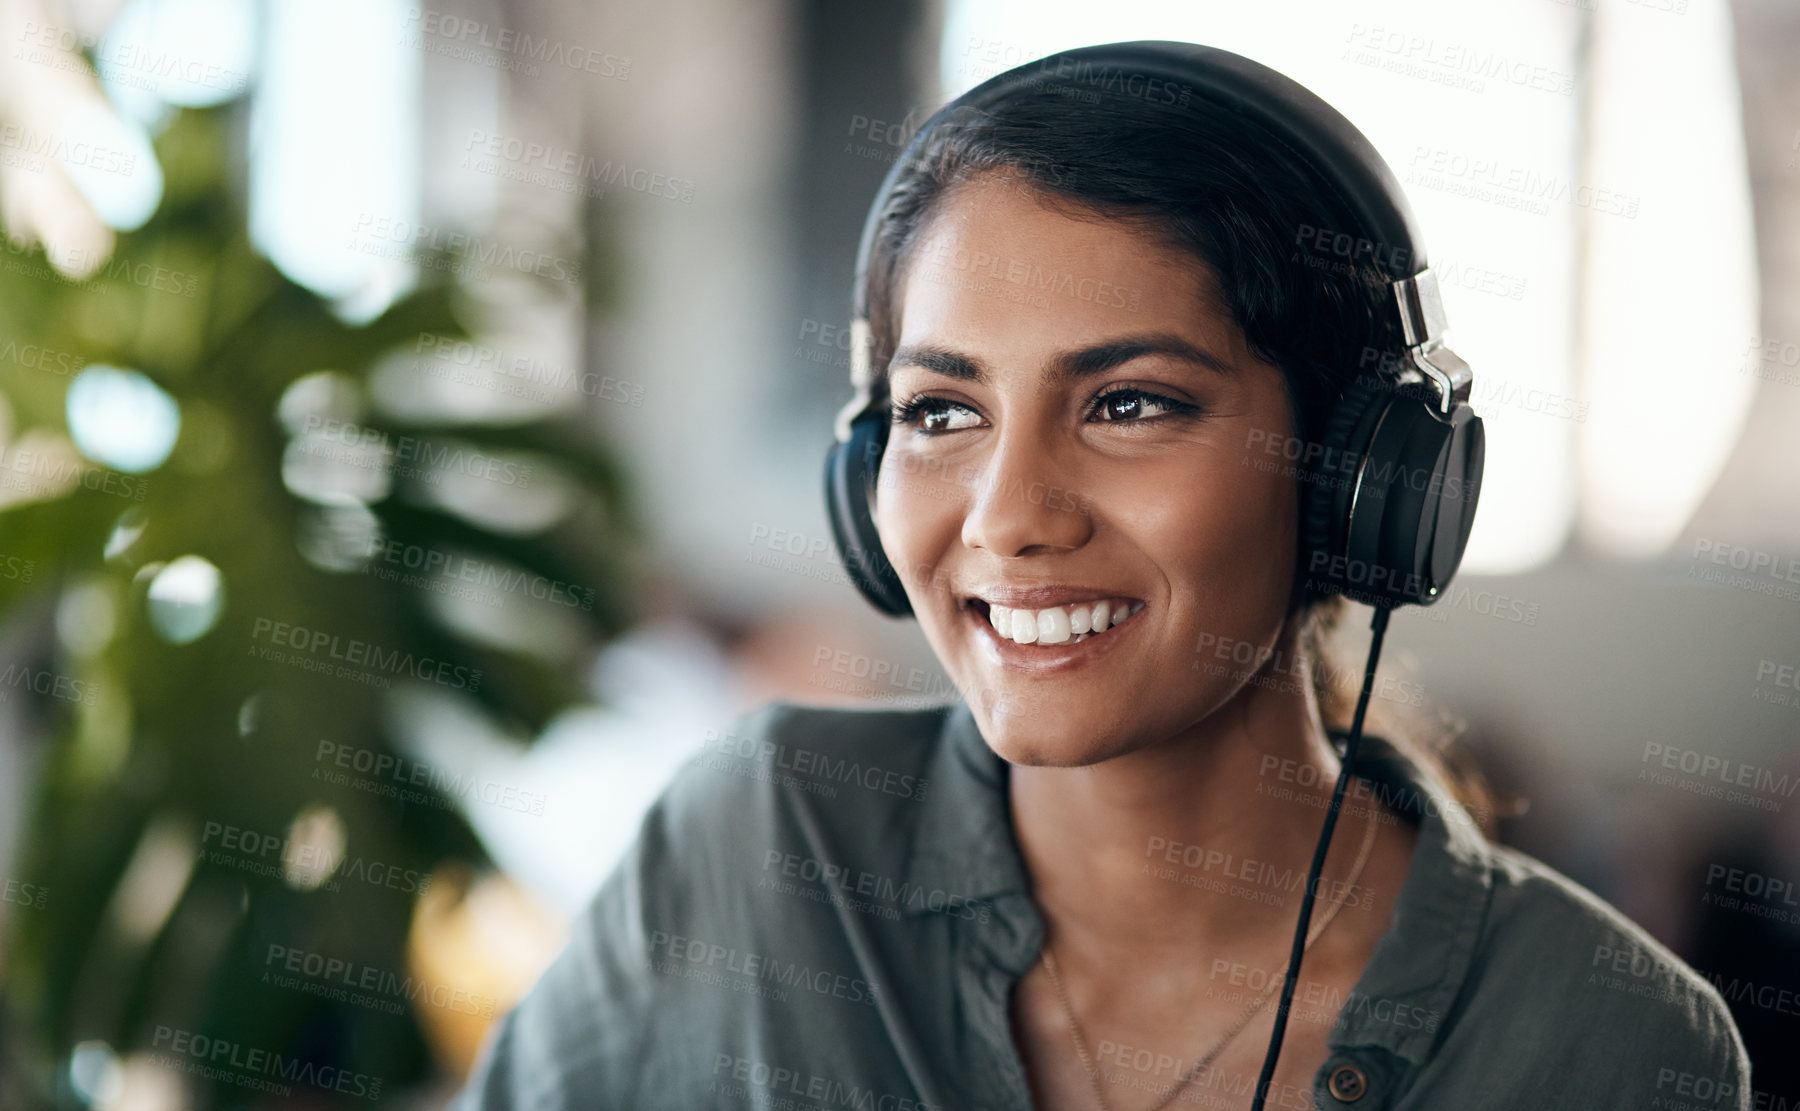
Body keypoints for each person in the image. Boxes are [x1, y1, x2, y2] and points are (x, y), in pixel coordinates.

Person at [455, 42, 1751, 1111]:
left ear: (1363, 473)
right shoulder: (757, 849)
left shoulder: (1611, 1043)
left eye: (1130, 403)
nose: (1010, 518)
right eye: (942, 413)